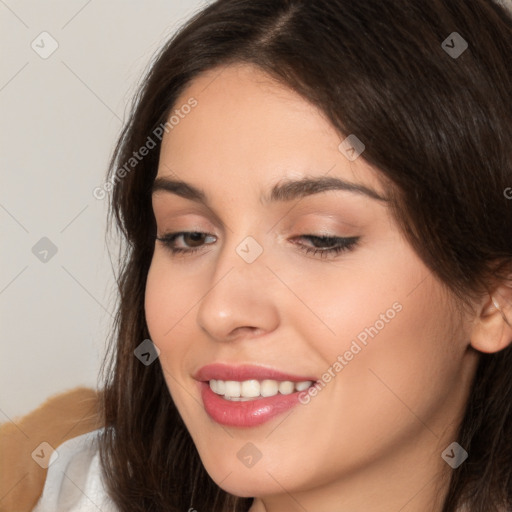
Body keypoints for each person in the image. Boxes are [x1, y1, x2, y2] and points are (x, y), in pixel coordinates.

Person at [9, 0, 512, 511]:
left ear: (495, 298)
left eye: (320, 238)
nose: (220, 310)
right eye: (189, 236)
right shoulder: (85, 494)